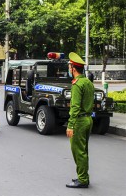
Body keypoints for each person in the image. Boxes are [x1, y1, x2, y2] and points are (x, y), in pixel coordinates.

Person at [66, 52, 94, 188]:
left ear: (74, 69)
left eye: (70, 67)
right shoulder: (87, 82)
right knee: (84, 150)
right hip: (88, 119)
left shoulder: (77, 84)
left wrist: (70, 125)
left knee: (78, 151)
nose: (69, 69)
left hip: (79, 121)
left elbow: (75, 107)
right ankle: (84, 177)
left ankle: (82, 179)